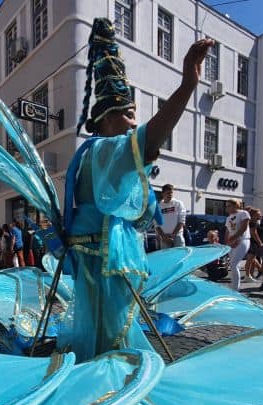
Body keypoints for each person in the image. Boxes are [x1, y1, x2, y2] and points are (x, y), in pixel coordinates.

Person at [58, 17, 212, 362]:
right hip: (102, 257)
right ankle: (103, 390)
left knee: (101, 328)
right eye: (127, 115)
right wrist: (188, 83)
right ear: (104, 121)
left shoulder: (86, 156)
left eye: (133, 116)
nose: (132, 123)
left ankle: (99, 379)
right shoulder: (104, 150)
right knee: (107, 335)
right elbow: (152, 138)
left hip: (96, 254)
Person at [224, 199, 251, 291]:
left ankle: (236, 288)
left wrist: (234, 238)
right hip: (232, 242)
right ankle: (234, 284)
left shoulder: (244, 213)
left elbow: (243, 228)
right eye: (226, 206)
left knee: (233, 264)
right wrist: (228, 242)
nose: (227, 208)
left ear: (236, 205)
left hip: (242, 240)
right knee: (233, 265)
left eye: (229, 205)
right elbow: (228, 231)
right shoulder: (229, 217)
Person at [156, 183, 186, 248]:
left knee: (180, 257)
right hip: (164, 238)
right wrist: (163, 237)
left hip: (177, 237)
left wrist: (173, 236)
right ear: (163, 194)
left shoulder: (178, 204)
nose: (170, 195)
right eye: (168, 193)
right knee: (166, 258)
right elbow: (157, 224)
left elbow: (181, 221)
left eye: (171, 193)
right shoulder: (158, 207)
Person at [243, 206, 263, 282]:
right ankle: (247, 276)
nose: (260, 215)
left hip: (250, 242)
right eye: (258, 214)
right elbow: (253, 233)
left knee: (253, 260)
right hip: (253, 243)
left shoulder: (250, 222)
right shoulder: (253, 222)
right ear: (253, 215)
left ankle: (259, 273)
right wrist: (260, 242)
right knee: (250, 260)